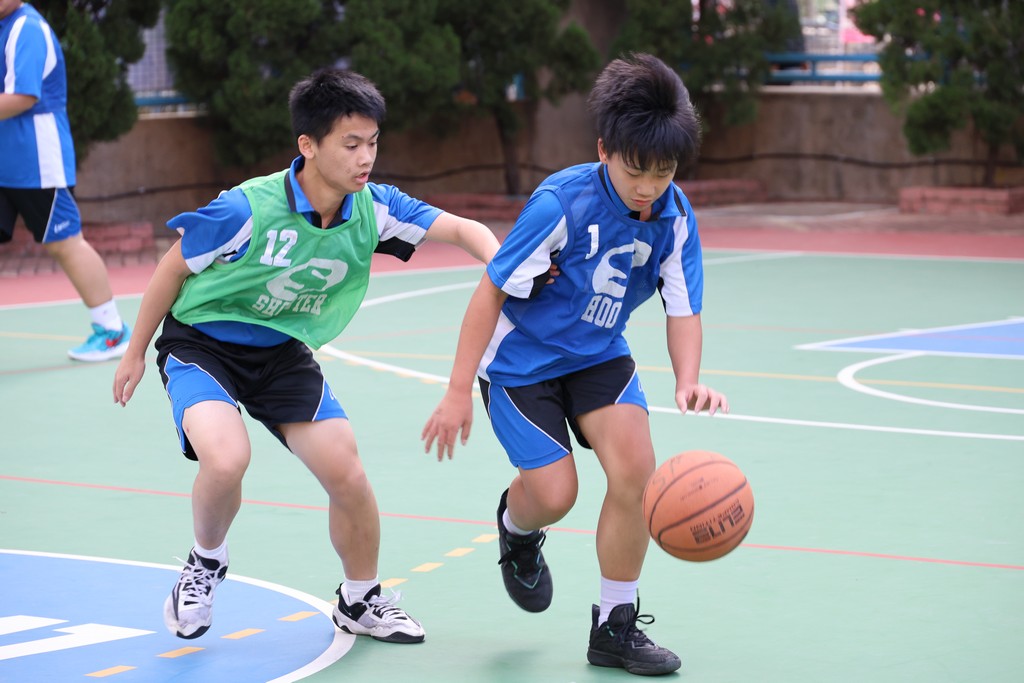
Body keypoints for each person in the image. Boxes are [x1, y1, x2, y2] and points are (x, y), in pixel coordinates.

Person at [112, 67, 501, 644]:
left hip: (280, 353)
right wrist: (135, 352)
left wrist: (505, 267)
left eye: (373, 143)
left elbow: (466, 230)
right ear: (308, 145)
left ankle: (360, 599)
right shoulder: (245, 209)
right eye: (351, 144)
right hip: (202, 345)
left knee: (348, 472)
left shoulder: (374, 207)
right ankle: (205, 562)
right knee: (226, 458)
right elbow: (172, 267)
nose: (365, 157)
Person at [422, 53, 729, 676]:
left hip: (599, 354)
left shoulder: (675, 217)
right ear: (604, 150)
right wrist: (456, 391)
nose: (648, 186)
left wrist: (688, 379)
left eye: (664, 171)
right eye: (635, 170)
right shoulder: (560, 204)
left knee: (636, 473)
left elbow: (683, 307)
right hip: (520, 362)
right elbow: (490, 292)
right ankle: (517, 528)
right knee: (556, 494)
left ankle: (615, 626)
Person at [0, 0, 131, 361]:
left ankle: (112, 330)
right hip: (6, 162)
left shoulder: (27, 28)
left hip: (38, 162)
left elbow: (23, 97)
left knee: (65, 242)